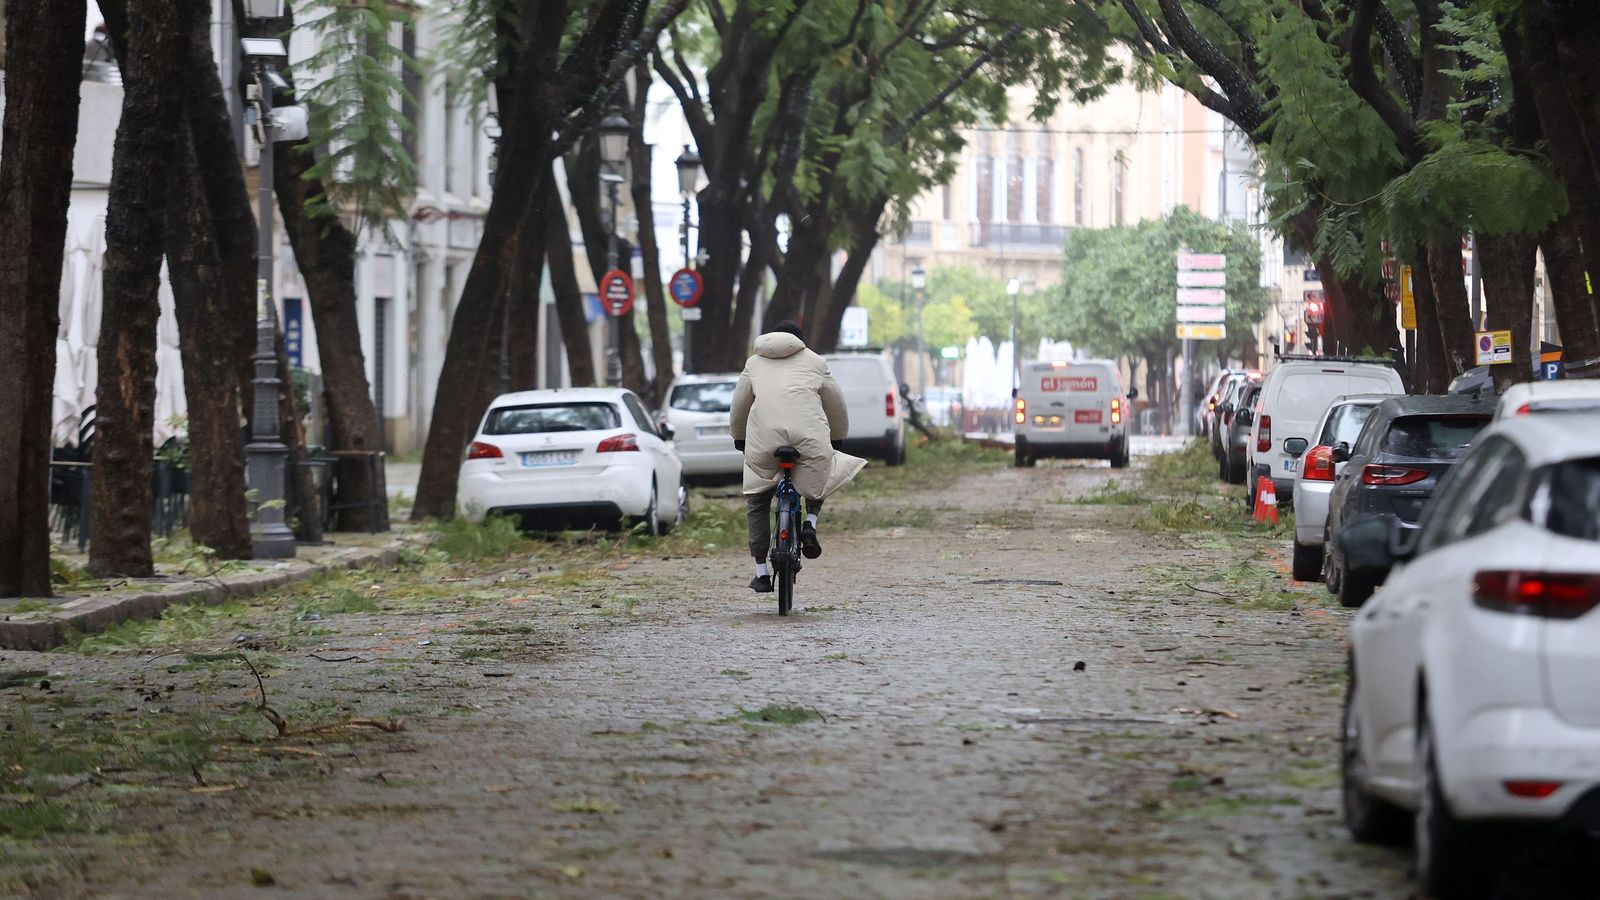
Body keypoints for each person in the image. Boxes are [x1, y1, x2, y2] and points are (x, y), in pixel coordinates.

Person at [730, 322, 867, 593]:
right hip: (808, 438)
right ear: (800, 342)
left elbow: (739, 405)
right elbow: (835, 403)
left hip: (764, 442)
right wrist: (837, 437)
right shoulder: (815, 361)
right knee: (822, 471)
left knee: (757, 501)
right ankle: (810, 522)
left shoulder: (754, 363)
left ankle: (761, 573)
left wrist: (740, 437)